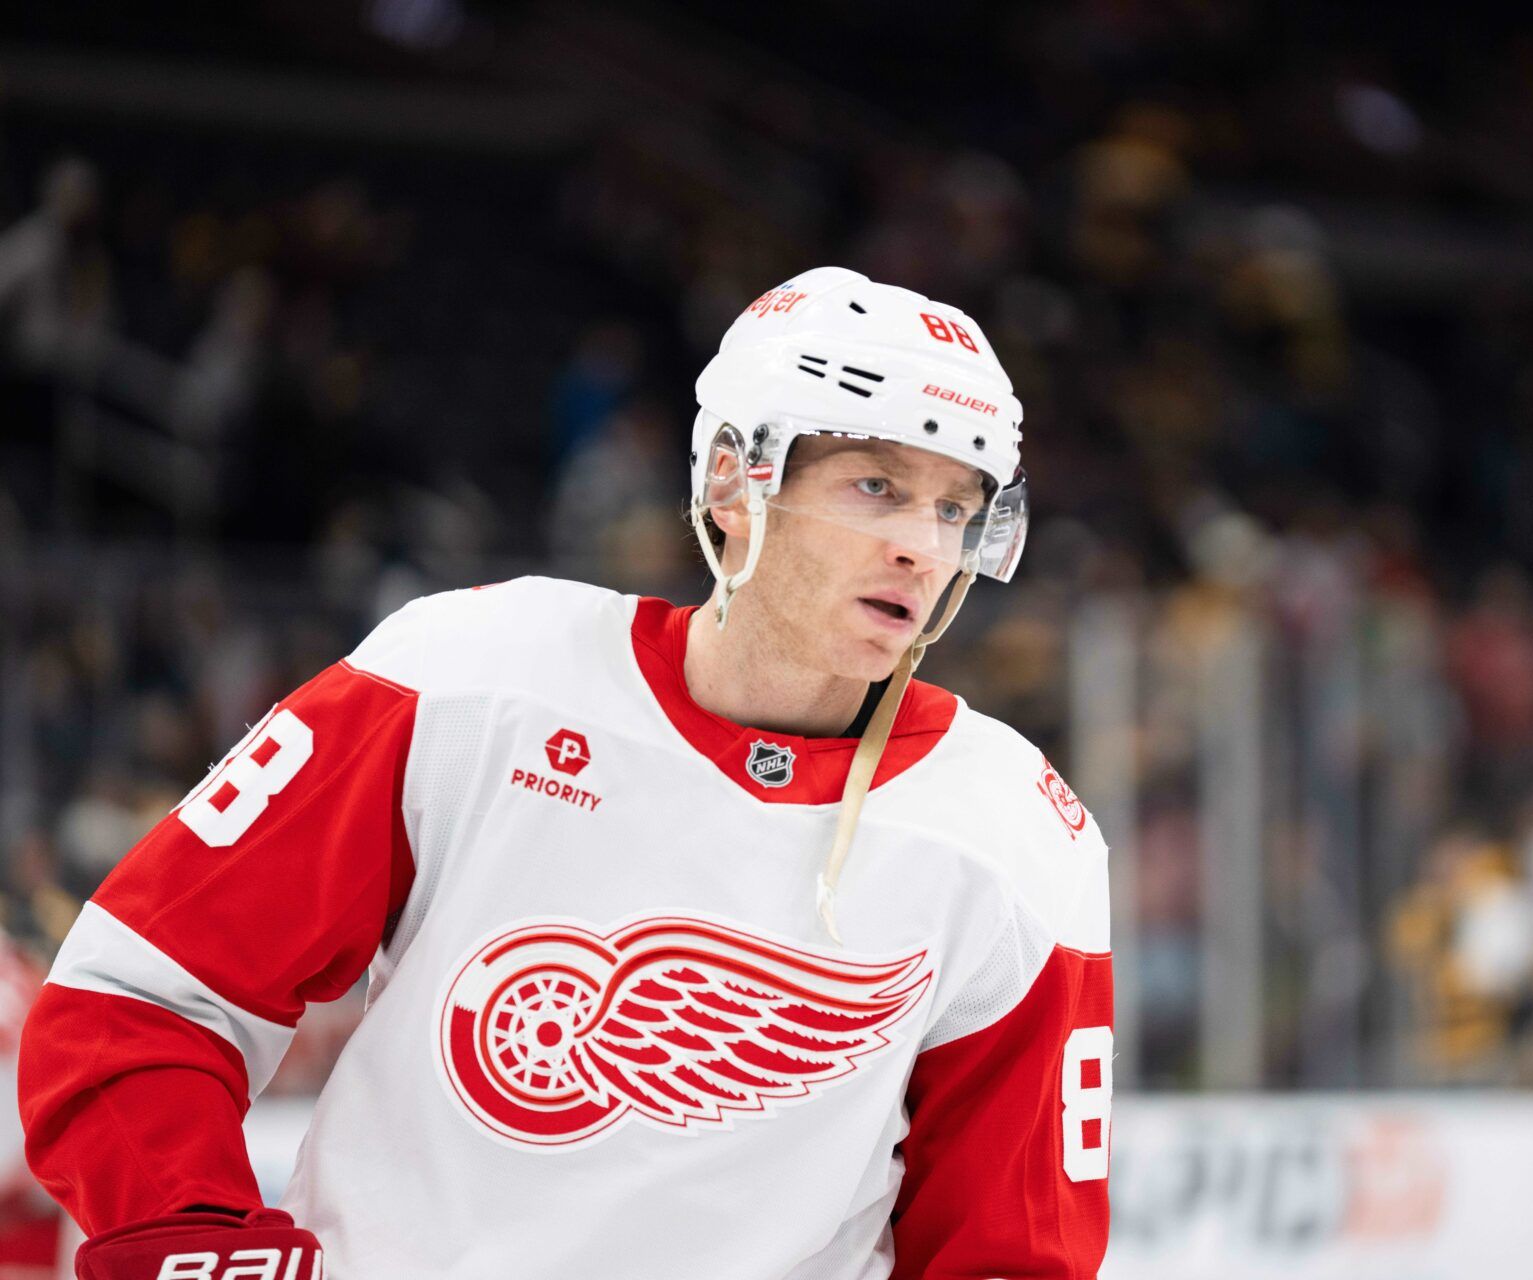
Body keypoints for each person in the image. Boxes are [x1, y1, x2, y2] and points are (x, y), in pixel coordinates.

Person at [17, 267, 1114, 1279]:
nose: (924, 545)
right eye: (877, 485)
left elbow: (1008, 1250)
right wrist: (189, 1236)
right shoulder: (463, 681)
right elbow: (139, 999)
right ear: (736, 480)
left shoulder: (1016, 834)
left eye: (955, 506)